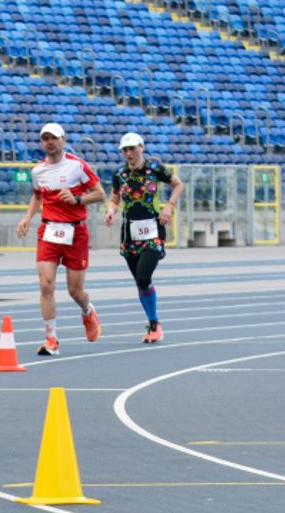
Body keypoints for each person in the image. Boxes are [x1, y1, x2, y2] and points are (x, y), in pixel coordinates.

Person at [15, 122, 106, 356]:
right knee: (46, 285)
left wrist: (77, 199)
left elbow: (100, 194)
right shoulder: (38, 172)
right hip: (49, 231)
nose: (50, 142)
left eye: (54, 138)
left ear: (63, 140)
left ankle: (87, 311)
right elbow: (37, 197)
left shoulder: (77, 166)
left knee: (75, 291)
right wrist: (27, 218)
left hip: (76, 232)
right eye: (45, 138)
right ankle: (51, 339)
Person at [104, 132, 184, 343]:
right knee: (140, 284)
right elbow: (114, 197)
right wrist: (111, 210)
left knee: (143, 277)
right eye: (125, 150)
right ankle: (153, 323)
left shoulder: (154, 168)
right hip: (130, 232)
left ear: (141, 147)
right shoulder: (119, 173)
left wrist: (169, 206)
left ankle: (154, 323)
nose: (129, 153)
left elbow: (178, 184)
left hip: (153, 229)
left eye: (132, 149)